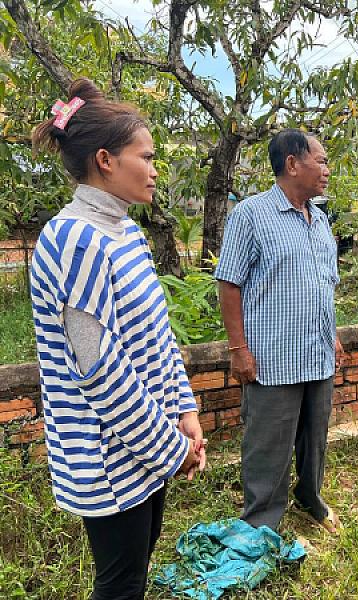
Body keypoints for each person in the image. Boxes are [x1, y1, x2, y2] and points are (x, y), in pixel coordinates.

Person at [29, 78, 205, 600]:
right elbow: (98, 367)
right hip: (109, 453)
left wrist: (185, 409)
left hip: (145, 444)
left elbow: (155, 336)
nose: (154, 169)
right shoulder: (77, 241)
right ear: (105, 160)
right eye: (145, 157)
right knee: (121, 583)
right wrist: (168, 447)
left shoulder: (124, 231)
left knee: (136, 570)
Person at [215, 129, 343, 534]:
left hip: (317, 352)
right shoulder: (251, 215)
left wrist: (333, 334)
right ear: (292, 163)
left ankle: (311, 497)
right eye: (320, 160)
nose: (326, 169)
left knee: (314, 439)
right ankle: (261, 522)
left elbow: (326, 283)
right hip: (273, 356)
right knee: (268, 444)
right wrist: (238, 348)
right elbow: (229, 283)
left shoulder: (320, 219)